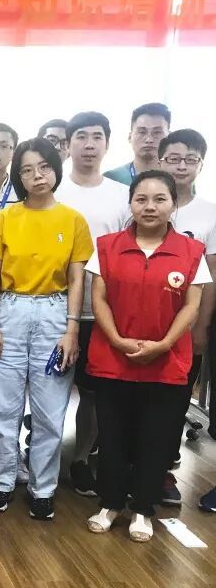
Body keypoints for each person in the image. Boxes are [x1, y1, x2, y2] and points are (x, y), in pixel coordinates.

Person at [84, 171, 209, 543]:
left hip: (166, 361)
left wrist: (164, 344)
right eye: (141, 199)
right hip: (113, 358)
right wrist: (118, 340)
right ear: (131, 204)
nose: (150, 207)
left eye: (159, 199)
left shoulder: (192, 251)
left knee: (155, 438)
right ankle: (110, 503)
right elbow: (98, 298)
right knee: (112, 436)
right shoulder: (107, 246)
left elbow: (191, 307)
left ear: (173, 204)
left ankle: (142, 509)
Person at [0, 137, 93, 521]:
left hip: (55, 313)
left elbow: (77, 279)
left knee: (50, 410)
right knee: (1, 407)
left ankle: (43, 489)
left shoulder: (73, 220)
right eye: (27, 170)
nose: (37, 176)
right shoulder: (4, 219)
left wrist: (72, 330)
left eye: (44, 167)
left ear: (56, 169)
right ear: (18, 176)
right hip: (9, 310)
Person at [54, 112, 130, 498]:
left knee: (93, 394)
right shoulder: (53, 188)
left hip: (101, 312)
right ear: (68, 145)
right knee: (50, 390)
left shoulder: (121, 195)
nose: (88, 144)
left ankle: (81, 458)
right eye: (80, 136)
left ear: (107, 143)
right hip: (53, 309)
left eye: (96, 136)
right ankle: (42, 458)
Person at [157, 129, 216, 506]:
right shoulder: (144, 201)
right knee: (136, 399)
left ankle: (162, 470)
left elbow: (211, 276)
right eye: (174, 158)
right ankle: (129, 466)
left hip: (186, 326)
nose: (181, 166)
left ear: (201, 165)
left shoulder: (210, 213)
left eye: (190, 159)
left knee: (174, 402)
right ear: (160, 160)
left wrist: (201, 328)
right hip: (140, 323)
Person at [104, 102, 171, 185]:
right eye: (142, 132)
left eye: (157, 132)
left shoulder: (177, 178)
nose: (149, 140)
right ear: (130, 137)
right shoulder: (111, 179)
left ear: (169, 137)